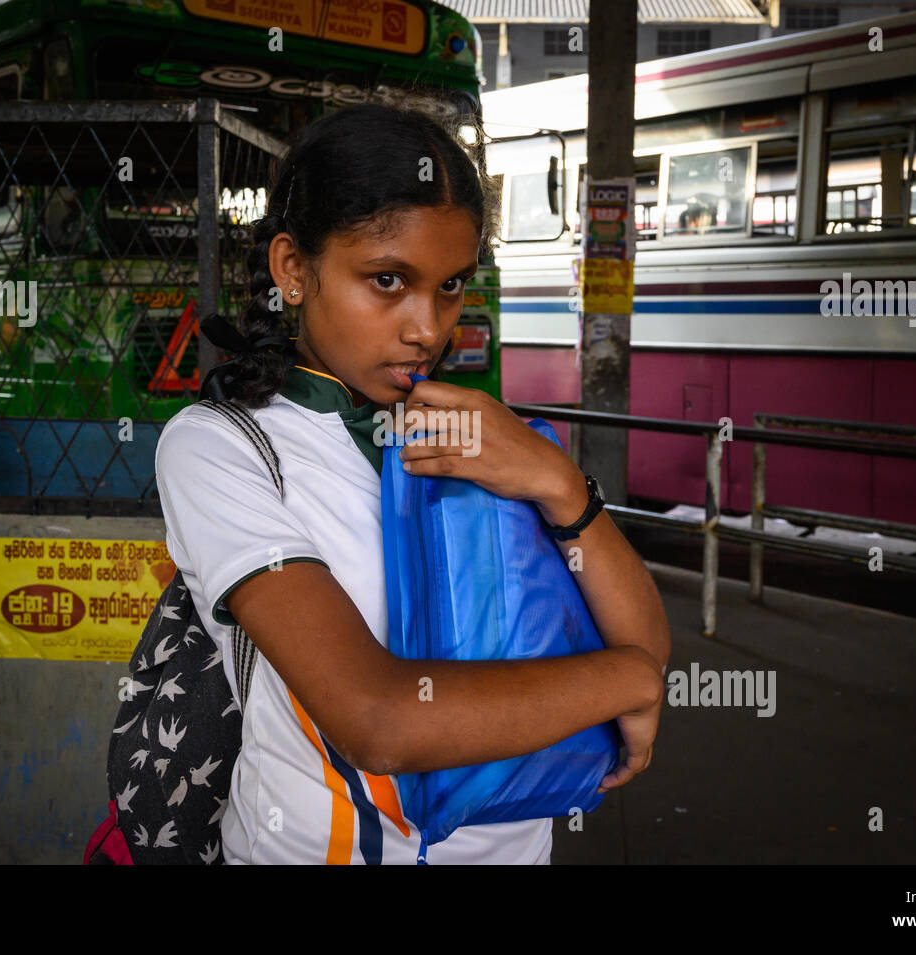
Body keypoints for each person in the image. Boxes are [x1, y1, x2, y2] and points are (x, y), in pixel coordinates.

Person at [153, 99, 671, 865]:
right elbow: (379, 721)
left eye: (452, 285)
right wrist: (624, 679)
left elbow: (648, 643)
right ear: (294, 269)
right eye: (388, 280)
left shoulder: (489, 437)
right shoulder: (224, 449)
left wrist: (558, 483)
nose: (428, 328)